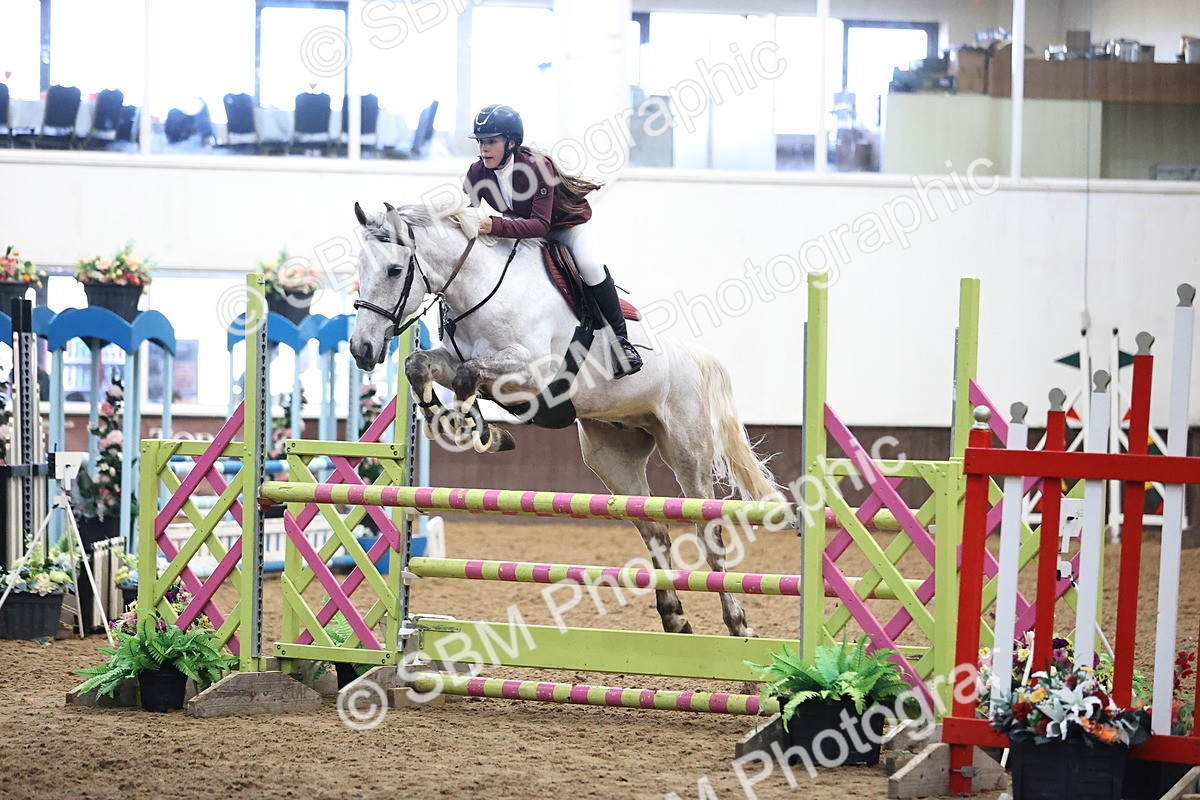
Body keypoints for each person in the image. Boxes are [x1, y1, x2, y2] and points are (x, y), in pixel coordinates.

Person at [463, 103, 643, 379]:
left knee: (591, 265)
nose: (483, 149)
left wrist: (495, 225)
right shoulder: (477, 173)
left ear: (511, 143)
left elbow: (541, 224)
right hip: (521, 228)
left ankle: (622, 343)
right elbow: (467, 210)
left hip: (566, 227)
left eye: (491, 142)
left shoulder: (538, 166)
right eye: (480, 142)